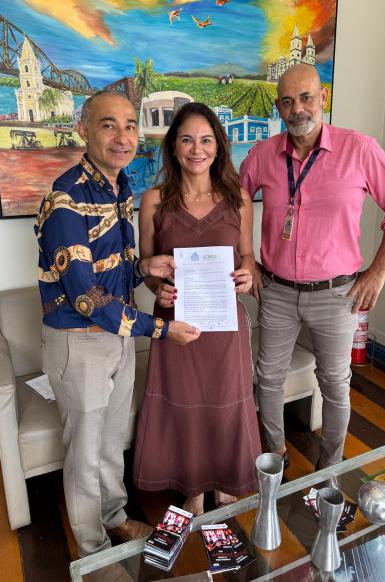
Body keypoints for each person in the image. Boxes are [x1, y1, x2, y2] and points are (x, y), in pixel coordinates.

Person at [34, 90, 200, 560]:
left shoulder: (120, 188)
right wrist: (161, 329)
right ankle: (94, 553)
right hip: (79, 341)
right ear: (83, 130)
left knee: (110, 442)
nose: (123, 137)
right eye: (109, 125)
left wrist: (148, 268)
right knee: (85, 454)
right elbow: (86, 296)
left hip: (118, 336)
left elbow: (113, 270)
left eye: (130, 125)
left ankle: (114, 518)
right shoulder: (65, 198)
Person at [240, 64, 385, 469]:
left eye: (305, 98)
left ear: (323, 98)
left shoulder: (360, 149)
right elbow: (235, 202)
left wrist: (378, 271)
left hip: (337, 295)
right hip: (277, 291)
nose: (297, 109)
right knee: (268, 377)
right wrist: (246, 258)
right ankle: (276, 455)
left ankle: (329, 469)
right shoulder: (263, 154)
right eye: (287, 101)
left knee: (335, 384)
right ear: (279, 107)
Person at [133, 102, 262, 516]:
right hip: (175, 324)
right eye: (187, 140)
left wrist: (247, 274)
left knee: (226, 402)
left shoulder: (238, 199)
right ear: (173, 147)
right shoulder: (153, 201)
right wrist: (159, 288)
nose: (196, 149)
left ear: (218, 146)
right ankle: (192, 486)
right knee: (183, 403)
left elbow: (248, 256)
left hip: (225, 325)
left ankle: (223, 479)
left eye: (206, 140)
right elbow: (147, 265)